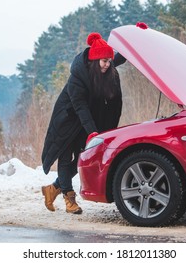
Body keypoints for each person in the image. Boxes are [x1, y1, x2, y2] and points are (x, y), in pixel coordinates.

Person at [41, 32, 126, 214]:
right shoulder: (77, 78)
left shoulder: (104, 69)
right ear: (95, 61)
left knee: (83, 157)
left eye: (108, 61)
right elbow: (80, 107)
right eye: (104, 61)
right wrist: (93, 132)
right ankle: (69, 199)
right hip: (67, 120)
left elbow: (117, 59)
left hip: (85, 121)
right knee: (65, 158)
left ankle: (52, 189)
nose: (107, 64)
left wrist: (135, 43)